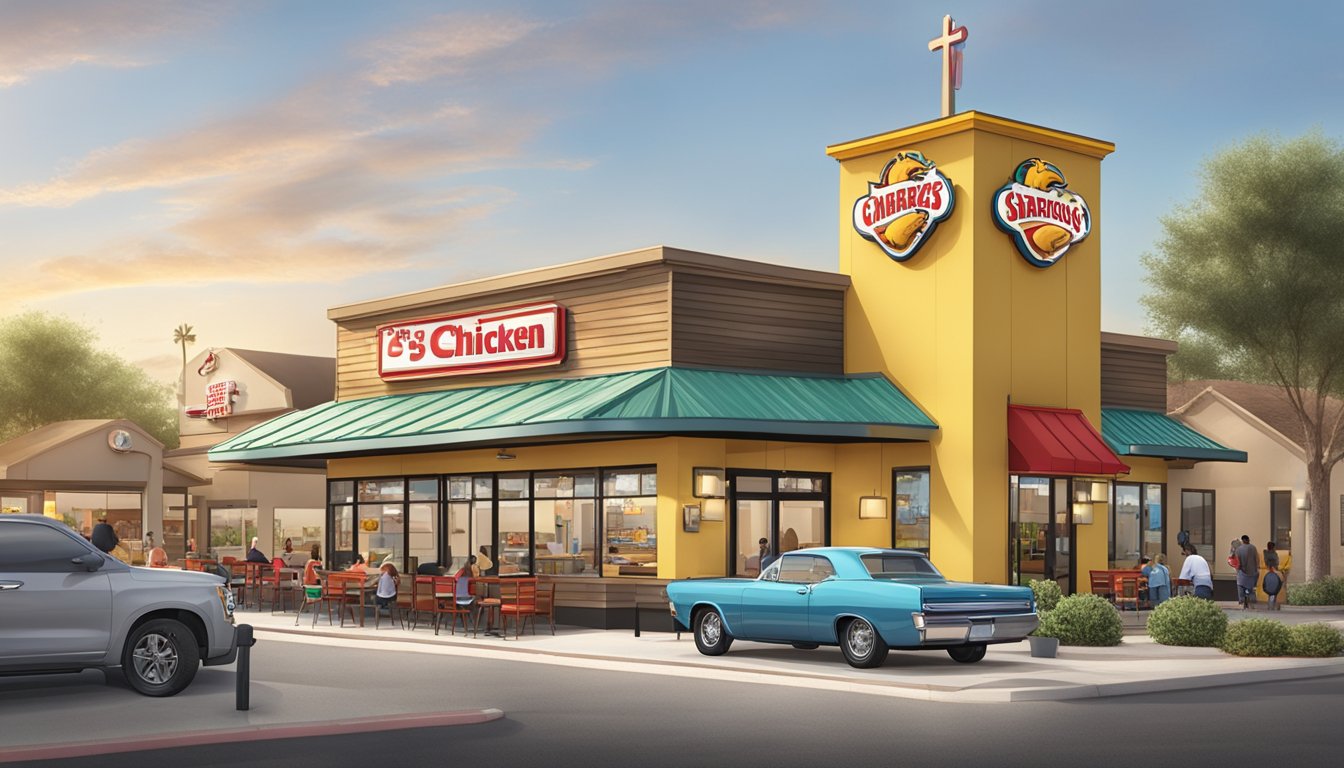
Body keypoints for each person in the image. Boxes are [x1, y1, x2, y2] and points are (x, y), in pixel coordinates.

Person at [1235, 534, 1259, 609]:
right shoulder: (1253, 548)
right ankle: (1252, 603)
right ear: (1248, 540)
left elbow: (1237, 562)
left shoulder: (1238, 549)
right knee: (1251, 589)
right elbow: (1257, 559)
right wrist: (1256, 569)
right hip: (1252, 573)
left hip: (1242, 573)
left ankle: (1242, 602)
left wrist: (1238, 570)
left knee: (1240, 587)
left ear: (1242, 540)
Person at [1262, 541, 1282, 610]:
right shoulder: (1273, 554)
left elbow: (1266, 561)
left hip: (1268, 571)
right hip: (1274, 571)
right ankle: (1272, 605)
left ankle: (1270, 605)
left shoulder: (1265, 553)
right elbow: (1276, 562)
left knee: (1270, 588)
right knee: (1274, 588)